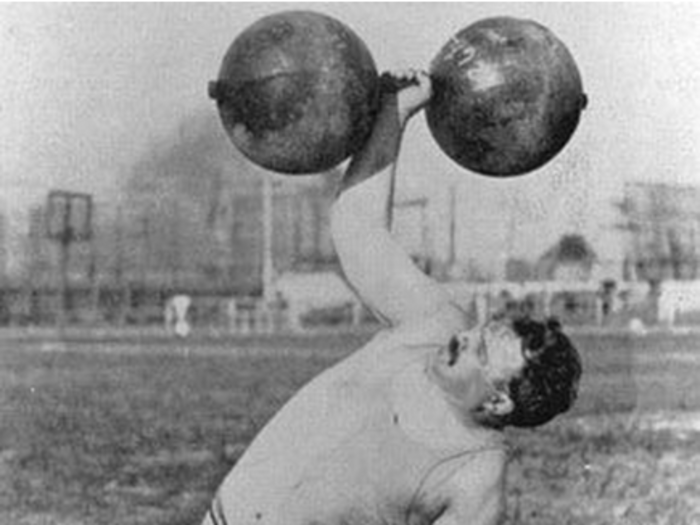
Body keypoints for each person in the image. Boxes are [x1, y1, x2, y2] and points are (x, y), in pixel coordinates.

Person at [202, 70, 582, 525]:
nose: (464, 339)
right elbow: (358, 230)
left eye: (480, 351)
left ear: (498, 403)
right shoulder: (436, 322)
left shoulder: (476, 478)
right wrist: (394, 112)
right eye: (482, 331)